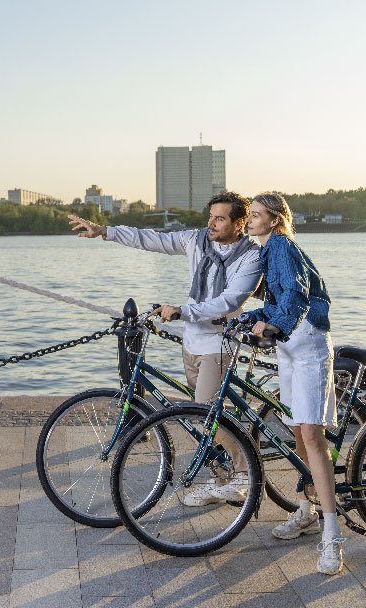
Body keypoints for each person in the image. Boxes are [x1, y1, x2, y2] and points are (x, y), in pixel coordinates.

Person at [68, 192, 263, 504]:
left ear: (239, 223)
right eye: (210, 216)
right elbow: (152, 239)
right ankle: (219, 476)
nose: (211, 224)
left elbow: (230, 301)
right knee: (202, 417)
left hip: (219, 343)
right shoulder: (196, 241)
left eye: (220, 218)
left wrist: (183, 311)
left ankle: (244, 475)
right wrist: (105, 231)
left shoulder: (251, 257)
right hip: (192, 341)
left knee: (205, 412)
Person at [241, 192, 343, 576]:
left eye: (256, 215)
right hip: (289, 347)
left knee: (312, 438)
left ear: (274, 219)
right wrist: (244, 320)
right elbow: (277, 303)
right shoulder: (269, 251)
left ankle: (332, 536)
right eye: (249, 215)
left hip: (308, 346)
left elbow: (297, 297)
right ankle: (307, 510)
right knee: (298, 432)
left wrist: (275, 327)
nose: (249, 220)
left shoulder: (282, 246)